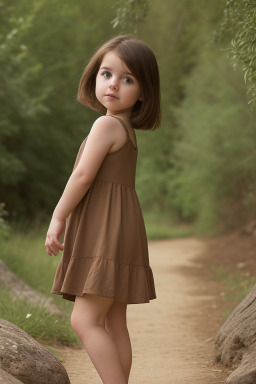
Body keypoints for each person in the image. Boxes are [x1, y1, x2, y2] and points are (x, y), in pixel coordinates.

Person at [45, 34, 161, 384]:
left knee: (84, 320)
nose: (113, 84)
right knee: (113, 321)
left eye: (127, 79)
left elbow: (81, 176)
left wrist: (58, 216)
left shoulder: (106, 124)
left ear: (143, 92)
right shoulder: (123, 127)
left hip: (105, 228)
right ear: (93, 76)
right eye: (106, 74)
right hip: (123, 226)